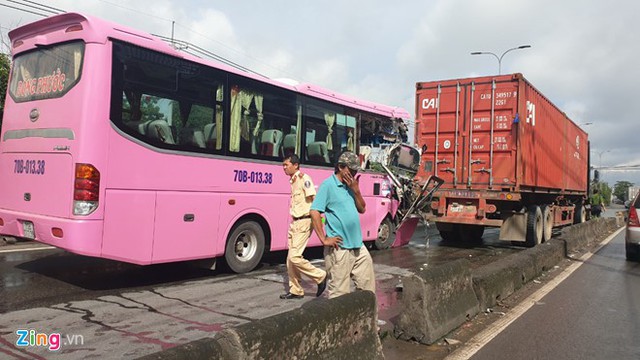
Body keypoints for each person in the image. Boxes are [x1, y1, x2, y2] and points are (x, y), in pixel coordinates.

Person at [310, 151, 375, 299]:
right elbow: (314, 212)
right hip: (340, 250)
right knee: (339, 295)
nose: (353, 173)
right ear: (341, 167)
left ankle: (366, 320)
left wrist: (356, 190)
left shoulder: (351, 186)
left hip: (358, 246)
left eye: (355, 171)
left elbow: (362, 209)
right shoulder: (328, 185)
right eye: (351, 170)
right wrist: (324, 239)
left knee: (368, 290)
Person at [280, 154, 327, 300]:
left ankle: (320, 276)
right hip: (295, 222)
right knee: (290, 259)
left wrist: (321, 220)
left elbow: (314, 199)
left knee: (294, 257)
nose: (284, 168)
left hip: (304, 221)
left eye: (286, 165)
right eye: (283, 165)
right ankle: (296, 290)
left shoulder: (304, 179)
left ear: (296, 165)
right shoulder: (293, 180)